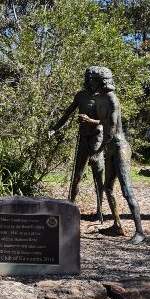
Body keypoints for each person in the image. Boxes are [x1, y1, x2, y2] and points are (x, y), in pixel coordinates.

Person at [80, 66, 145, 244]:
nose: (90, 82)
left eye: (93, 79)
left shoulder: (111, 99)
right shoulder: (99, 98)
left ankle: (139, 231)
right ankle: (117, 225)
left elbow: (112, 130)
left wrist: (98, 152)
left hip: (119, 148)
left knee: (126, 191)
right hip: (109, 148)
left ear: (101, 81)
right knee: (108, 187)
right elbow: (103, 122)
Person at [49, 67, 108, 223]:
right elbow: (67, 113)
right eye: (87, 78)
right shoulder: (80, 96)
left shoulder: (102, 97)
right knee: (76, 176)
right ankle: (71, 208)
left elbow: (107, 122)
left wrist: (90, 121)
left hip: (97, 138)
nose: (89, 81)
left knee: (97, 175)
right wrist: (54, 129)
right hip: (83, 138)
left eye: (92, 78)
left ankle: (99, 210)